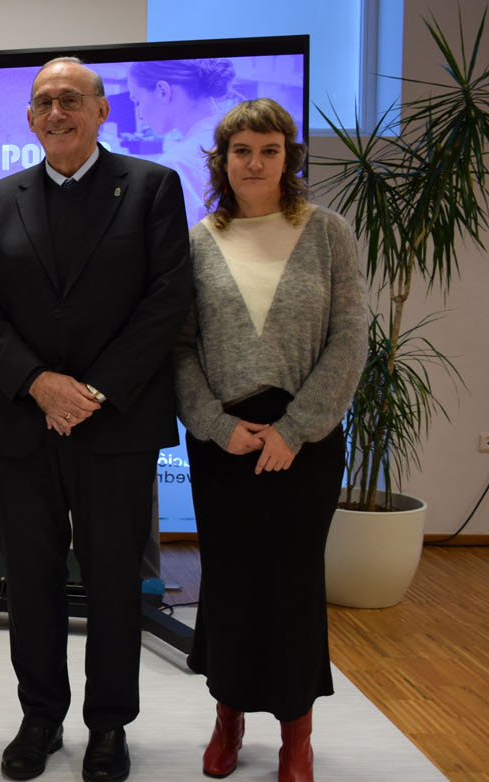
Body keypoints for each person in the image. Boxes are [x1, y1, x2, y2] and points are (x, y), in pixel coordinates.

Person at [0, 57, 192, 782]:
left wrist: (89, 391)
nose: (56, 112)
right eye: (43, 102)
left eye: (70, 99)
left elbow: (167, 298)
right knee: (30, 583)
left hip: (113, 426)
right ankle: (41, 717)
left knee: (117, 583)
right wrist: (37, 383)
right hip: (23, 427)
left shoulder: (152, 187)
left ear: (100, 111)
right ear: (30, 120)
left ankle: (109, 725)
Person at [174, 98, 365, 782]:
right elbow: (180, 349)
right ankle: (228, 718)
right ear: (222, 161)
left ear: (290, 158)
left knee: (291, 586)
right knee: (226, 583)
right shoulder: (196, 242)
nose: (254, 162)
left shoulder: (328, 234)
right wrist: (219, 427)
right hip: (224, 444)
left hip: (304, 444)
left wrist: (296, 430)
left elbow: (350, 340)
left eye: (269, 150)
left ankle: (296, 735)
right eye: (241, 151)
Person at [127, 59, 240, 228]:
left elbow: (181, 247)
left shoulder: (177, 164)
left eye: (138, 101)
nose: (139, 115)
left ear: (163, 91)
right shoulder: (240, 138)